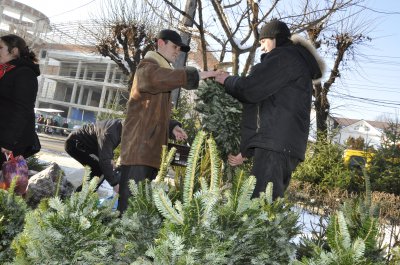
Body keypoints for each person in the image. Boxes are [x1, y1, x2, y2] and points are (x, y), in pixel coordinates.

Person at [215, 19, 325, 200]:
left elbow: (250, 89)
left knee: (260, 210)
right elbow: (264, 108)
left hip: (274, 149)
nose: (262, 48)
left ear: (274, 39)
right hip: (280, 147)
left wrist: (227, 80)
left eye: (263, 42)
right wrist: (248, 150)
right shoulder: (295, 62)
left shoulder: (284, 58)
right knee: (267, 206)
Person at [118, 29, 217, 213]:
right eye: (174, 46)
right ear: (160, 43)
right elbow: (156, 79)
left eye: (180, 48)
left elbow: (152, 112)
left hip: (148, 153)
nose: (177, 51)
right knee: (128, 213)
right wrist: (195, 75)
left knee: (136, 214)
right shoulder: (146, 67)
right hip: (139, 153)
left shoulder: (161, 73)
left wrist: (172, 126)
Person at [0, 34, 40, 165]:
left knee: (7, 182)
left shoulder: (25, 73)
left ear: (14, 50)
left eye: (0, 48)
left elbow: (22, 110)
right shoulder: (6, 71)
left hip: (9, 140)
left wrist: (8, 143)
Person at [65, 119, 123, 191]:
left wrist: (110, 159)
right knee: (101, 171)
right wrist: (115, 184)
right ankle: (82, 197)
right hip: (77, 144)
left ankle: (82, 196)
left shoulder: (118, 126)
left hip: (85, 144)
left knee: (100, 170)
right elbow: (104, 161)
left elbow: (105, 148)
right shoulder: (110, 133)